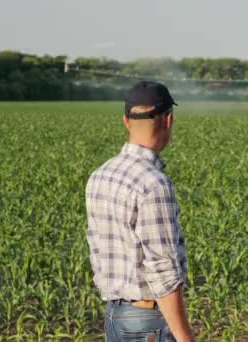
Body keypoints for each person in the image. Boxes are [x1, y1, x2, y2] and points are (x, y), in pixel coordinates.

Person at [86, 81, 194, 341]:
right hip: (147, 321)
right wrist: (184, 336)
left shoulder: (100, 175)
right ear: (168, 120)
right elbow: (163, 270)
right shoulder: (154, 184)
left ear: (126, 121)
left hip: (115, 314)